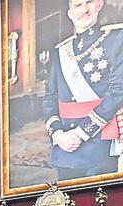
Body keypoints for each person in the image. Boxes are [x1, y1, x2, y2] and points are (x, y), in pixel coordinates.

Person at [40, 0, 123, 181]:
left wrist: (80, 133)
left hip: (101, 140)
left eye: (89, 2)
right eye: (78, 5)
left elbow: (118, 92)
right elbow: (49, 97)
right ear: (69, 12)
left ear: (99, 4)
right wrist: (58, 134)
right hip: (65, 145)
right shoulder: (61, 50)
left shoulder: (117, 38)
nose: (84, 9)